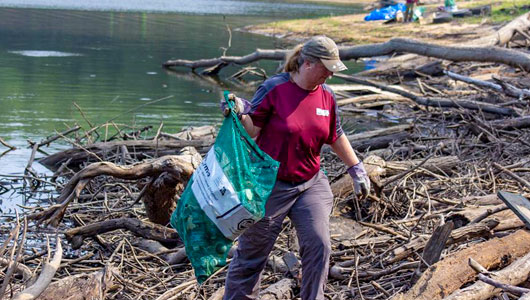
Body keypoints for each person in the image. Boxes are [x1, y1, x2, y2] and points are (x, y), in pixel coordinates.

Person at [221, 36, 370, 300]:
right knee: (251, 257)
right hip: (270, 185)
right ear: (308, 63)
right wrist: (239, 113)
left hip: (309, 183)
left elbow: (335, 134)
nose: (330, 75)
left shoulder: (327, 96)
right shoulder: (274, 89)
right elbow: (252, 129)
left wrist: (356, 168)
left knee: (319, 245)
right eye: (327, 68)